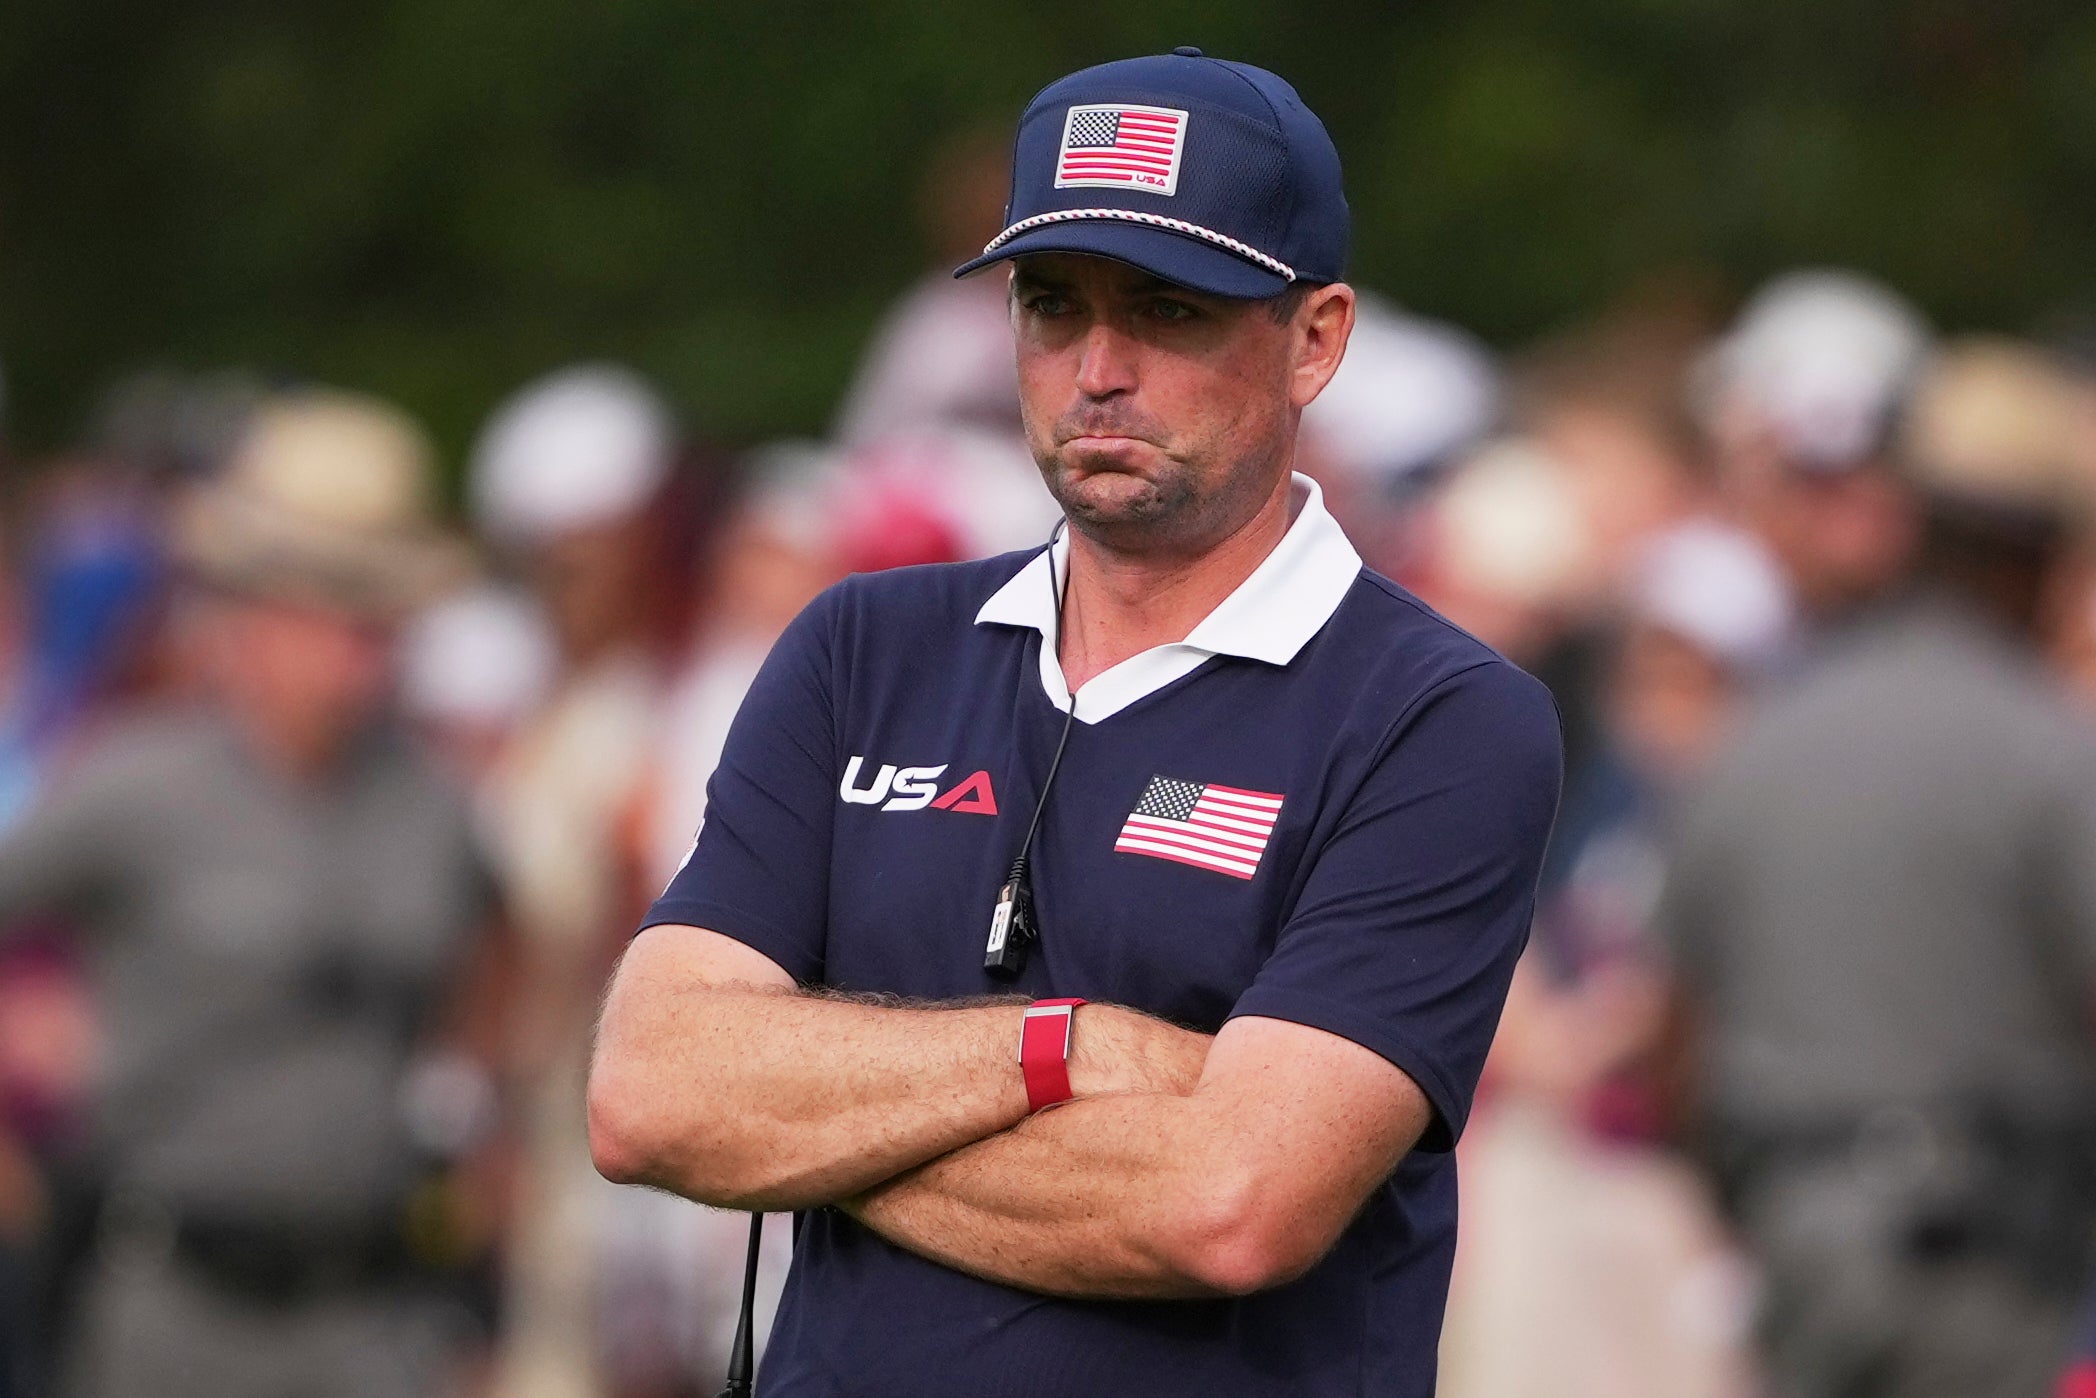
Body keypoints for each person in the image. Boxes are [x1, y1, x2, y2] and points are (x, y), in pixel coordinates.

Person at [589, 49, 1562, 1397]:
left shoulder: (1441, 716)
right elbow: (648, 1094)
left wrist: (809, 1126)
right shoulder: (861, 646)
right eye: (1052, 305)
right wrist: (1068, 1047)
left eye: (1168, 308)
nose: (1098, 369)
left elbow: (1230, 1204)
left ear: (1316, 338)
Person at [0, 389, 501, 1398]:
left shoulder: (435, 802)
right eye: (337, 609)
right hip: (170, 1305)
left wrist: (486, 1148)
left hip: (376, 1311)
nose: (364, 646)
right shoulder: (137, 782)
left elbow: (504, 970)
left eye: (383, 616)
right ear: (253, 610)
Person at [1660, 340, 2096, 1398]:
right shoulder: (2050, 750)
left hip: (1797, 1241)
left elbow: (1675, 1028)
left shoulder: (1761, 736)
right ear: (2038, 561)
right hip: (1992, 1263)